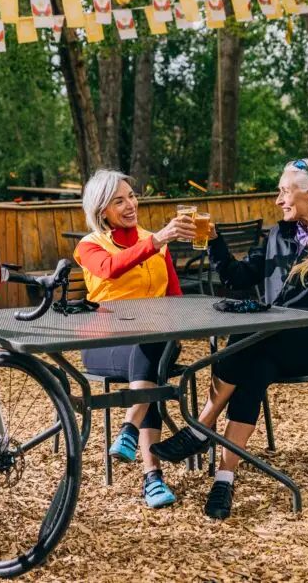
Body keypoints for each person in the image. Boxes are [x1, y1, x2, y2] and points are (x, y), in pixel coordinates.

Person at [150, 158, 308, 519]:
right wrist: (215, 241)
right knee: (252, 368)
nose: (278, 199)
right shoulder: (279, 235)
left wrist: (307, 317)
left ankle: (200, 428)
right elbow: (238, 276)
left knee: (249, 340)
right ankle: (224, 478)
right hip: (269, 344)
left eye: (285, 191)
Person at [74, 169, 196, 508]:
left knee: (151, 342)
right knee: (150, 365)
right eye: (119, 201)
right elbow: (111, 268)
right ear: (102, 211)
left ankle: (135, 441)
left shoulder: (154, 241)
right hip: (105, 344)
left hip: (156, 339)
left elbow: (173, 296)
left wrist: (157, 243)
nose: (131, 205)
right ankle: (151, 476)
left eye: (131, 197)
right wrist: (156, 241)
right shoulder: (89, 246)